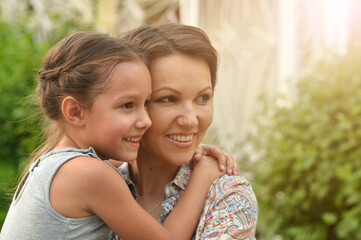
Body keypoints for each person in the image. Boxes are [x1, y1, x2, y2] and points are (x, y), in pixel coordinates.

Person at [0, 32, 232, 240]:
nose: (146, 120)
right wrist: (203, 176)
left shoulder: (57, 165)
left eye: (147, 103)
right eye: (128, 105)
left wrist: (187, 147)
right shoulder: (90, 175)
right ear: (75, 112)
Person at [113, 23, 258, 240]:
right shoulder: (100, 183)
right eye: (168, 99)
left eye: (202, 98)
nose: (190, 120)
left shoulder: (228, 196)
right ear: (131, 103)